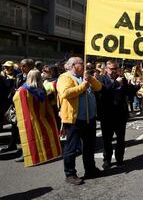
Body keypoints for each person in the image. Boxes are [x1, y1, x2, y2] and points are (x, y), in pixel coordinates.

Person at [57, 57, 102, 185]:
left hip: (89, 118)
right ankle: (70, 174)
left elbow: (98, 87)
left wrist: (91, 79)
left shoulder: (85, 76)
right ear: (73, 65)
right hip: (74, 120)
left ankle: (90, 169)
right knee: (71, 148)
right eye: (81, 63)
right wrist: (83, 86)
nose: (84, 65)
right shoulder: (65, 77)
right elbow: (65, 93)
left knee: (89, 147)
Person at [12, 69, 62, 167]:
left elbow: (16, 100)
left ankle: (30, 156)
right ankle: (47, 154)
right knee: (42, 136)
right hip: (41, 116)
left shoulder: (23, 89)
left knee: (30, 138)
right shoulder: (42, 88)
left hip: (30, 117)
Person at [97, 60, 129, 170]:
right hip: (107, 115)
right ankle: (107, 160)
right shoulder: (101, 79)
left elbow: (128, 92)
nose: (114, 71)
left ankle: (119, 159)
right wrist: (116, 83)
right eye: (111, 69)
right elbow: (103, 91)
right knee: (107, 140)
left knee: (120, 139)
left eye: (115, 69)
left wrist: (137, 87)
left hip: (120, 115)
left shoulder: (122, 78)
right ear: (106, 69)